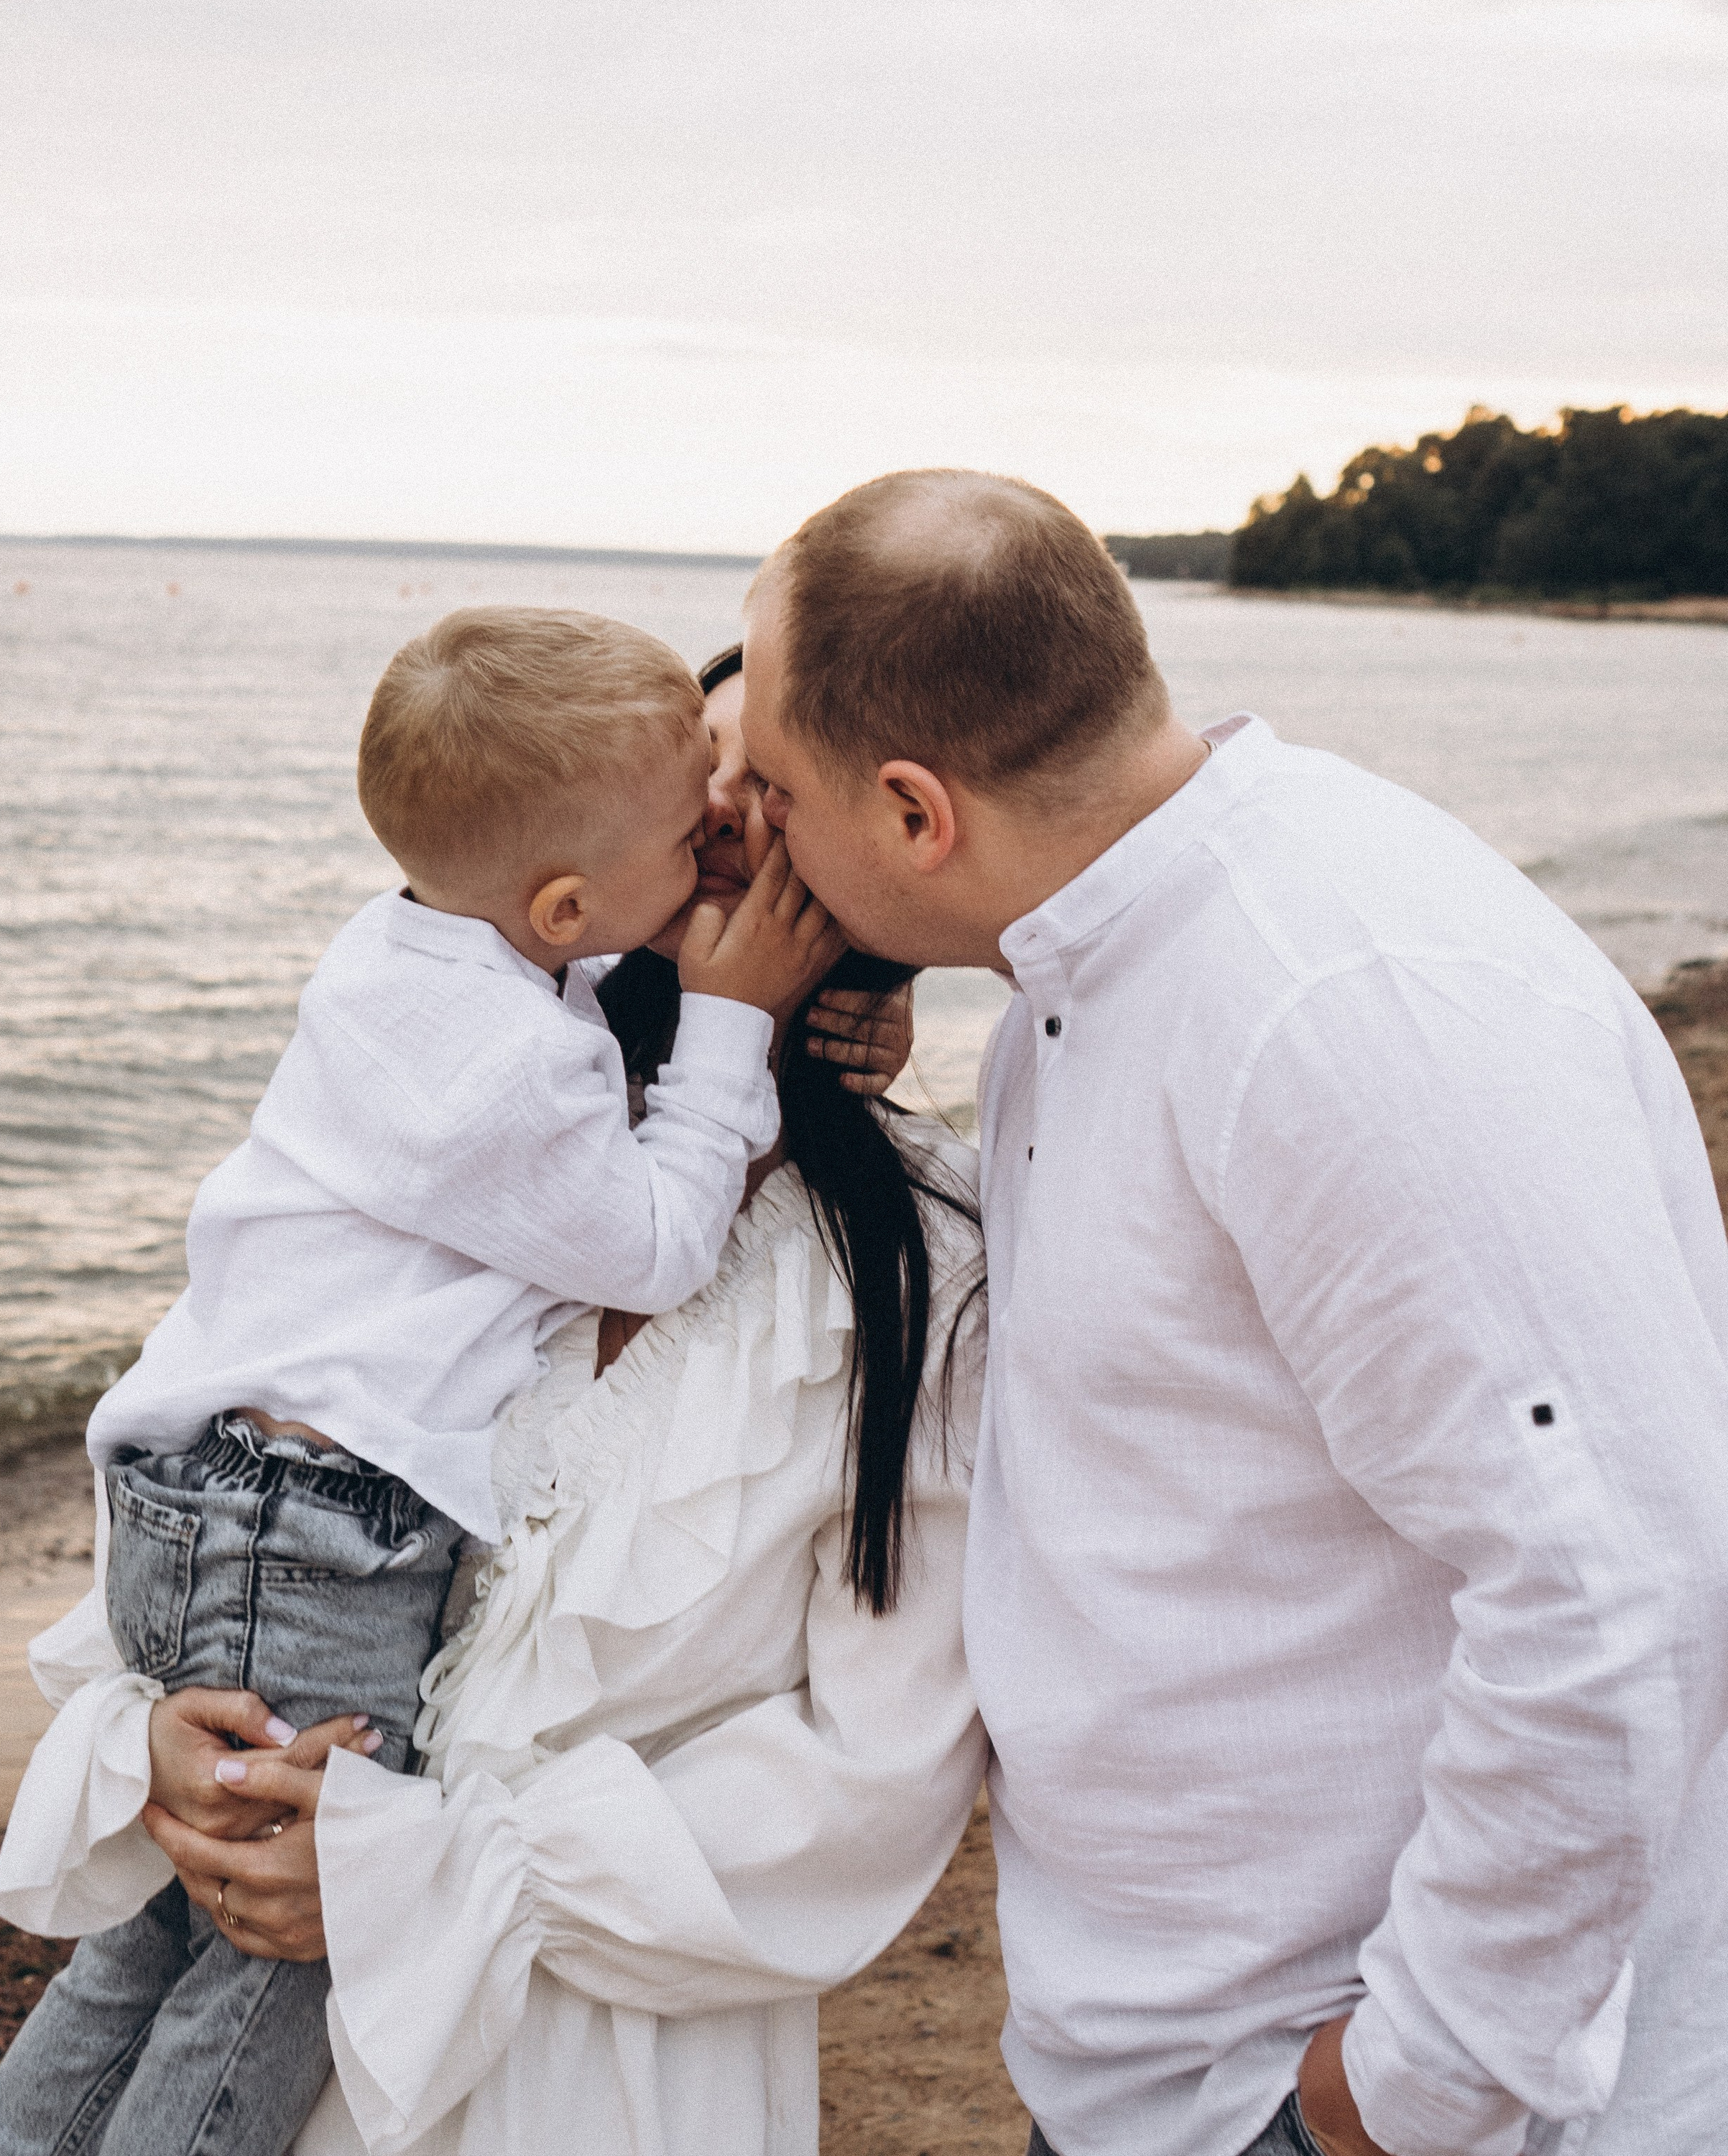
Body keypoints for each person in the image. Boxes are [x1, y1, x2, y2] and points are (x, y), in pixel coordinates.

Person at [736, 468, 1728, 2156]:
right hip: (1168, 2069)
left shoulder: (1332, 1003)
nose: (756, 835)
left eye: (769, 789)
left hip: (1359, 2098)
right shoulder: (1083, 976)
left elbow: (1616, 1579)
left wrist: (1406, 2090)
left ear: (913, 813)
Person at [0, 649, 987, 2156]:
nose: (718, 821)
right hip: (283, 2031)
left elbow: (875, 1777)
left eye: (760, 797)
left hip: (591, 2073)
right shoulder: (477, 1120)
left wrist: (440, 1872)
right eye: (694, 786)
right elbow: (234, 1487)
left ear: (886, 841)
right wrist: (158, 1750)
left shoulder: (926, 1266)